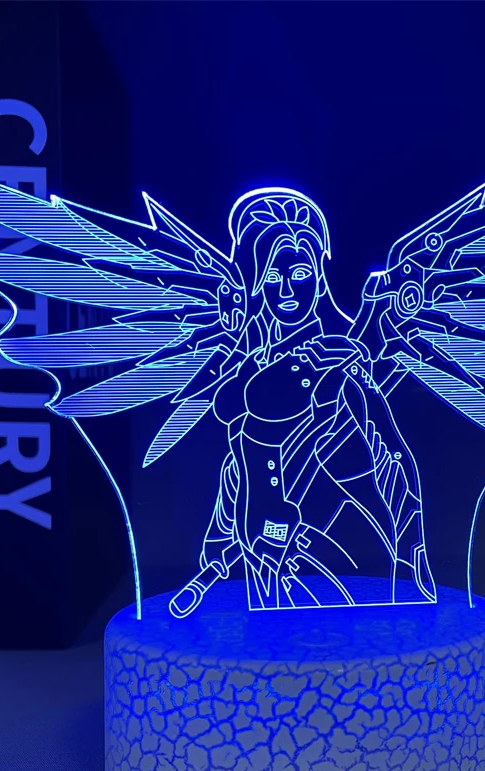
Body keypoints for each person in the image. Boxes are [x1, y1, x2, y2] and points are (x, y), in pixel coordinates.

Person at [168, 189, 436, 616]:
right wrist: (222, 543)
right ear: (257, 281)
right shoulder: (252, 362)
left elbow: (390, 449)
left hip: (336, 530)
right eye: (273, 277)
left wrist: (410, 543)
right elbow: (236, 450)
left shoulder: (337, 359)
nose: (287, 290)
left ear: (319, 276)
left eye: (301, 273)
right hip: (261, 537)